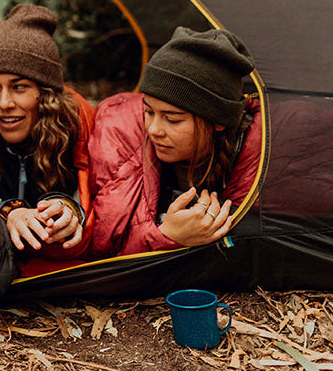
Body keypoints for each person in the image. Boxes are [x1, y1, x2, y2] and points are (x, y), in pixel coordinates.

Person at [87, 26, 261, 258]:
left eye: (172, 119)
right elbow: (102, 249)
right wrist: (167, 236)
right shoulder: (122, 135)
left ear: (218, 121)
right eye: (149, 112)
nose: (154, 129)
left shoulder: (257, 157)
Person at [0, 4, 95, 258]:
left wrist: (66, 209)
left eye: (19, 87)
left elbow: (81, 193)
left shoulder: (70, 126)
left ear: (45, 94)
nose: (3, 103)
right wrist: (8, 212)